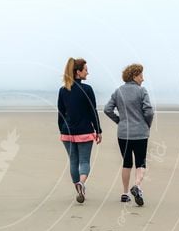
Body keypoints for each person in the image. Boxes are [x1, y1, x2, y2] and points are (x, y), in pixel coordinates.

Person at [104, 63, 154, 205]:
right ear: (134, 76)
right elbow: (149, 111)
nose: (143, 79)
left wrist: (119, 121)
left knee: (126, 163)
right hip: (140, 133)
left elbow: (108, 109)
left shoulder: (118, 91)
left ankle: (125, 193)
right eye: (141, 75)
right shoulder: (141, 91)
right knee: (141, 162)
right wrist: (146, 124)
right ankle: (137, 186)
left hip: (123, 133)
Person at [57, 58, 102, 203]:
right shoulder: (87, 89)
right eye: (86, 70)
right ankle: (81, 183)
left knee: (73, 161)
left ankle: (78, 188)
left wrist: (62, 130)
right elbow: (92, 111)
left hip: (67, 131)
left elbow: (61, 113)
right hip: (84, 131)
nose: (88, 72)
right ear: (78, 72)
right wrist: (98, 130)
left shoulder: (63, 90)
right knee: (84, 161)